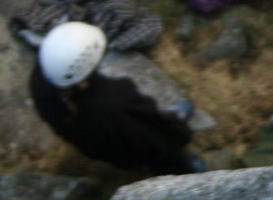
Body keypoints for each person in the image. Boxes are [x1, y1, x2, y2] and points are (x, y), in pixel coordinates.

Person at [30, 22, 201, 175]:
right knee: (163, 152)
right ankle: (186, 170)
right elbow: (152, 139)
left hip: (107, 151)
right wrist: (179, 132)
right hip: (137, 149)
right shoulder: (114, 105)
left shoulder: (41, 81)